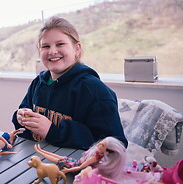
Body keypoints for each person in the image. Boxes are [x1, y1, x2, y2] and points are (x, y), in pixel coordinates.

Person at [12, 16, 127, 150]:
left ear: (76, 49)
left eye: (60, 44)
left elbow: (115, 145)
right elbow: (23, 126)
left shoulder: (94, 89)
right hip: (36, 160)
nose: (52, 51)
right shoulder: (37, 83)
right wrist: (20, 117)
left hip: (77, 167)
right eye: (45, 46)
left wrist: (52, 130)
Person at [34, 136, 127, 179]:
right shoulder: (97, 153)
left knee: (57, 159)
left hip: (74, 166)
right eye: (101, 142)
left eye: (102, 145)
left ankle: (39, 152)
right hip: (76, 161)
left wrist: (67, 171)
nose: (99, 143)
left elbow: (80, 167)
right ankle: (41, 150)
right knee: (59, 156)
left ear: (106, 151)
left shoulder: (94, 158)